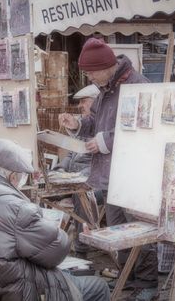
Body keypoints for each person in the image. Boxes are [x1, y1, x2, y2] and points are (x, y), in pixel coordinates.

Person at [59, 38, 158, 301]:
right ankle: (129, 278)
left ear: (106, 66)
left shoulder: (139, 86)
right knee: (118, 232)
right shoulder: (105, 89)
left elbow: (144, 128)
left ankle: (147, 284)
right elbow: (95, 121)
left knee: (138, 231)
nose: (89, 77)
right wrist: (77, 123)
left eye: (91, 72)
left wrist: (104, 142)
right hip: (110, 175)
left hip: (135, 173)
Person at [0, 138, 110, 301]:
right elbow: (57, 251)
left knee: (66, 273)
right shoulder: (15, 209)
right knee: (98, 286)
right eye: (20, 178)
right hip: (20, 290)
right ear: (12, 177)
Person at [54, 84, 103, 255]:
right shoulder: (82, 124)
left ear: (96, 103)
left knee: (81, 194)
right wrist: (59, 170)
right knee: (43, 189)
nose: (80, 106)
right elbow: (70, 155)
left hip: (94, 183)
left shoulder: (100, 126)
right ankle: (51, 243)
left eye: (84, 102)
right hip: (74, 179)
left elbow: (98, 163)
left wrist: (76, 178)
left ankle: (82, 249)